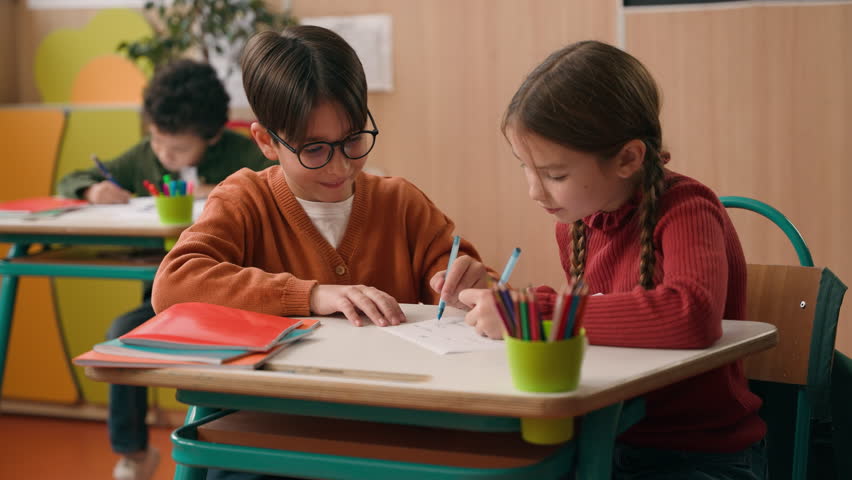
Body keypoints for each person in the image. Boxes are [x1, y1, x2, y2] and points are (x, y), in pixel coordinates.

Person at [150, 26, 490, 479]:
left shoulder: (401, 203)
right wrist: (312, 296)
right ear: (267, 141)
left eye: (353, 139)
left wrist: (474, 284)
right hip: (270, 433)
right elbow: (173, 286)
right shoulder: (245, 199)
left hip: (388, 428)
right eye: (314, 149)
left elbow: (461, 275)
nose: (341, 164)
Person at [458, 40, 768, 479]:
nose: (534, 191)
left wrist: (542, 311)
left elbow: (691, 315)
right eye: (524, 168)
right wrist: (523, 309)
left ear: (627, 158)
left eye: (555, 174)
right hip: (612, 438)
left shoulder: (687, 208)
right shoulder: (576, 222)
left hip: (699, 455)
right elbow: (607, 319)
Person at [57, 58, 275, 480]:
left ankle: (232, 449)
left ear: (211, 137)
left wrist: (225, 192)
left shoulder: (244, 154)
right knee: (119, 335)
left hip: (238, 297)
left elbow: (278, 186)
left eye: (176, 148)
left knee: (232, 364)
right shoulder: (144, 158)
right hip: (172, 299)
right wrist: (93, 188)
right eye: (156, 140)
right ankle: (134, 455)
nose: (163, 154)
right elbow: (72, 180)